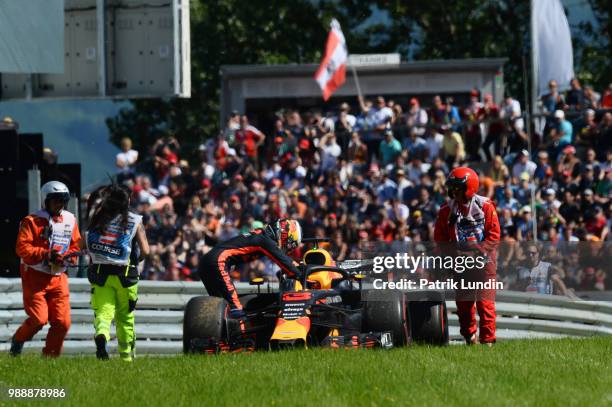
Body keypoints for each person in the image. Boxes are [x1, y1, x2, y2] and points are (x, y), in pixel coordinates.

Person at [11, 181, 82, 357]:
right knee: (38, 320)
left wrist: (69, 258)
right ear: (46, 200)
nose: (60, 204)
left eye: (63, 200)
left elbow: (76, 245)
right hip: (35, 277)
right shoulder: (31, 221)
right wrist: (46, 254)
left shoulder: (70, 219)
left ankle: (50, 358)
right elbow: (22, 249)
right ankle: (18, 340)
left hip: (59, 278)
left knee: (62, 322)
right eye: (56, 200)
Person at [434, 167, 500, 345]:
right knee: (464, 306)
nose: (453, 191)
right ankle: (470, 336)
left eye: (457, 187)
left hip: (484, 264)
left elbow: (494, 236)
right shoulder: (446, 210)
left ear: (469, 187)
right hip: (461, 265)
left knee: (485, 305)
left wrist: (476, 252)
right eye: (452, 187)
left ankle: (488, 341)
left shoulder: (486, 206)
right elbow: (440, 239)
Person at [86, 184, 150, 361]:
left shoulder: (98, 218)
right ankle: (126, 358)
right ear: (127, 200)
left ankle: (102, 335)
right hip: (126, 276)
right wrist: (139, 259)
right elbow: (146, 250)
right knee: (125, 318)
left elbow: (85, 243)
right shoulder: (134, 220)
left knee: (103, 313)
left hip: (100, 274)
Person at [198, 219, 302, 319]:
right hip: (218, 261)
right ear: (285, 235)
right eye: (290, 243)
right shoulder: (265, 240)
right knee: (236, 310)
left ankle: (219, 337)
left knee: (221, 307)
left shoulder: (261, 235)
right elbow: (285, 263)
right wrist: (300, 275)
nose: (288, 248)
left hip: (207, 262)